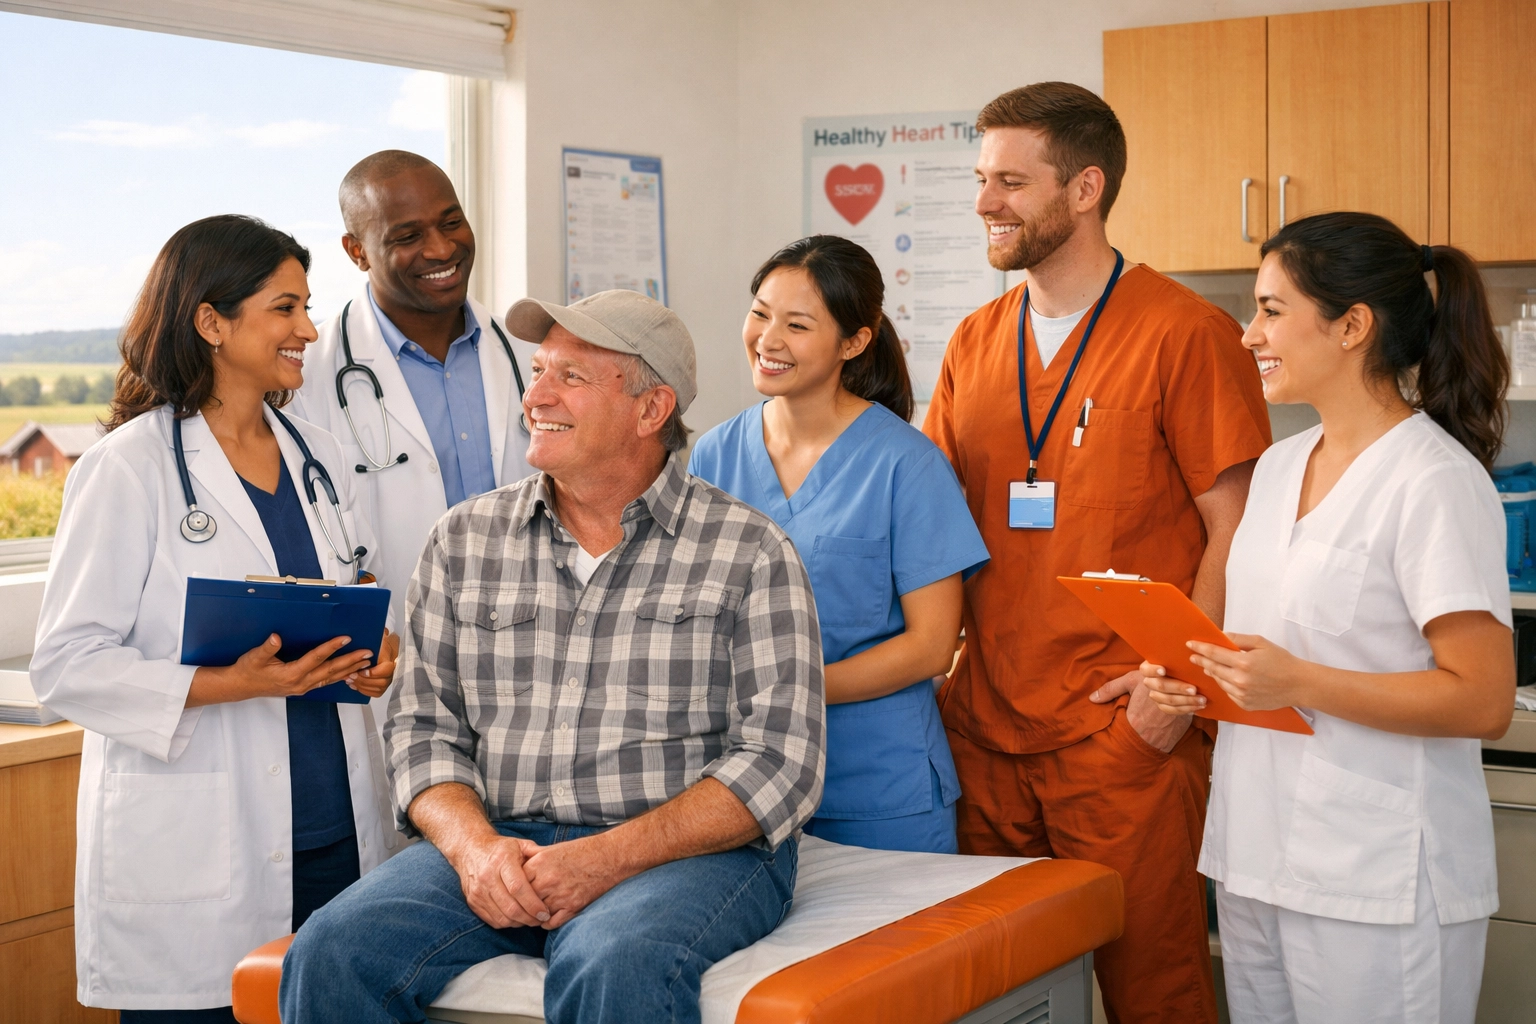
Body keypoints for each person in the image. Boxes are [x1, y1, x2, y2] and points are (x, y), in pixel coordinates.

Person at [280, 289, 826, 1024]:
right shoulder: (465, 540)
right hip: (502, 837)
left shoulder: (750, 552)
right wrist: (477, 853)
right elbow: (420, 729)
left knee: (611, 960)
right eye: (538, 371)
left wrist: (605, 858)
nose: (535, 395)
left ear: (650, 408)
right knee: (330, 950)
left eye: (569, 377)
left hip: (686, 855)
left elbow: (779, 763)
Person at [923, 82, 1272, 1023]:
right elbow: (934, 522)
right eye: (981, 179)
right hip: (985, 731)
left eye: (1009, 181)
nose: (986, 202)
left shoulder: (1184, 333)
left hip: (1122, 732)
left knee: (1153, 989)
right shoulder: (973, 342)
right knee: (994, 994)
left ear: (1084, 188)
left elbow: (1238, 525)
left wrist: (1175, 691)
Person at [1142, 212, 1514, 1023]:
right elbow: (1269, 650)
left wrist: (1297, 679)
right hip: (1258, 856)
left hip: (1379, 878)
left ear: (1352, 326)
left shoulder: (1433, 481)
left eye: (1272, 309)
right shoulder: (1278, 468)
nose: (1248, 334)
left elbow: (1482, 701)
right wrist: (1188, 676)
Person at [31, 215, 400, 1022]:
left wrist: (375, 651)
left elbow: (351, 591)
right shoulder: (127, 468)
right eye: (285, 309)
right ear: (211, 321)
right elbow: (65, 664)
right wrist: (229, 682)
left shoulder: (320, 453)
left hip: (339, 829)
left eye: (308, 307)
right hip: (202, 841)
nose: (308, 329)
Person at [689, 235, 987, 854]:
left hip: (880, 787)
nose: (768, 340)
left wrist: (789, 689)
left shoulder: (907, 464)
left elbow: (932, 646)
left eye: (797, 325)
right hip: (748, 783)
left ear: (853, 342)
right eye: (760, 313)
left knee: (903, 952)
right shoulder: (714, 454)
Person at [295, 150, 539, 627]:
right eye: (408, 236)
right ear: (356, 250)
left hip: (529, 629)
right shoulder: (307, 376)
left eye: (451, 223)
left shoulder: (527, 353)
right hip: (396, 642)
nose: (442, 249)